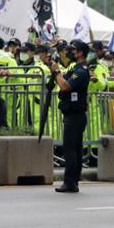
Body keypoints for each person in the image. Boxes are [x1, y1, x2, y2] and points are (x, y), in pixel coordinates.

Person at [50, 41, 90, 193]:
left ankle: (70, 182)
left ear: (79, 53)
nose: (69, 53)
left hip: (75, 116)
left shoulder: (81, 70)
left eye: (72, 50)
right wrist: (54, 70)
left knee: (70, 149)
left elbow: (65, 86)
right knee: (75, 149)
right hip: (74, 114)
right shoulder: (76, 68)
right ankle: (74, 181)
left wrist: (57, 72)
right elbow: (60, 81)